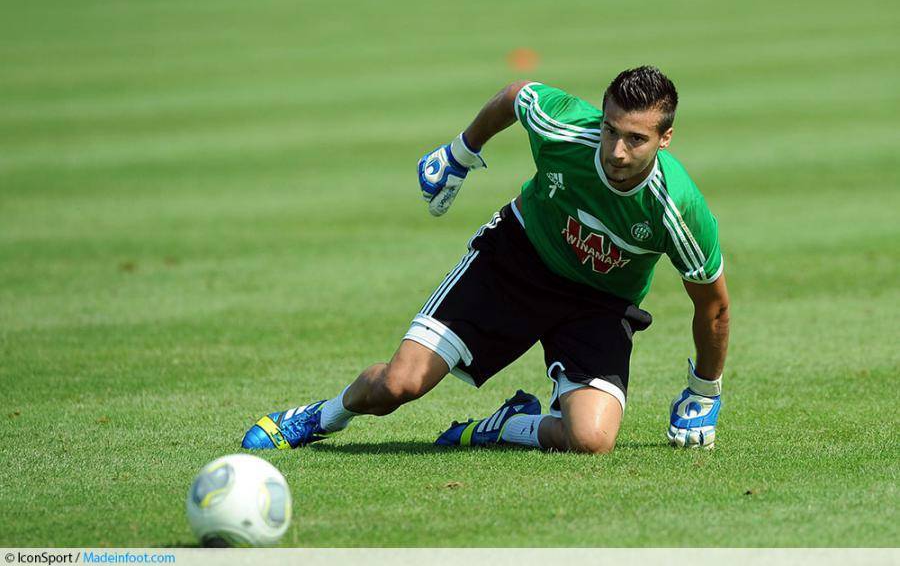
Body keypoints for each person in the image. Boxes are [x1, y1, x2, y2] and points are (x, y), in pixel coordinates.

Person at [241, 65, 730, 454]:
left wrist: (703, 391)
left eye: (636, 140)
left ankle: (507, 425)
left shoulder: (677, 208)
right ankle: (321, 416)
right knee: (399, 385)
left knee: (592, 440)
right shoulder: (565, 129)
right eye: (610, 130)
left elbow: (713, 306)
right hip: (515, 263)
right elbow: (517, 95)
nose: (617, 151)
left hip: (599, 303)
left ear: (665, 139)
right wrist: (460, 152)